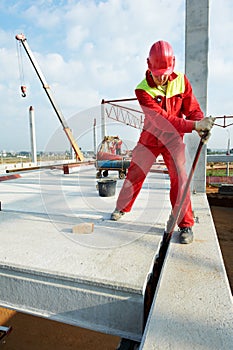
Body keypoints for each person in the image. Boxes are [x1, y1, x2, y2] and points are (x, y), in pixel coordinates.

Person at [111, 40, 215, 244]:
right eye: (157, 73)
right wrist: (195, 126)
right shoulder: (142, 90)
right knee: (135, 173)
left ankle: (185, 224)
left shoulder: (181, 81)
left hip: (174, 140)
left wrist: (201, 123)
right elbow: (162, 121)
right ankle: (122, 207)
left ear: (173, 65)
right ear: (148, 66)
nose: (162, 78)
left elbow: (192, 109)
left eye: (165, 72)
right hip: (150, 138)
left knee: (180, 179)